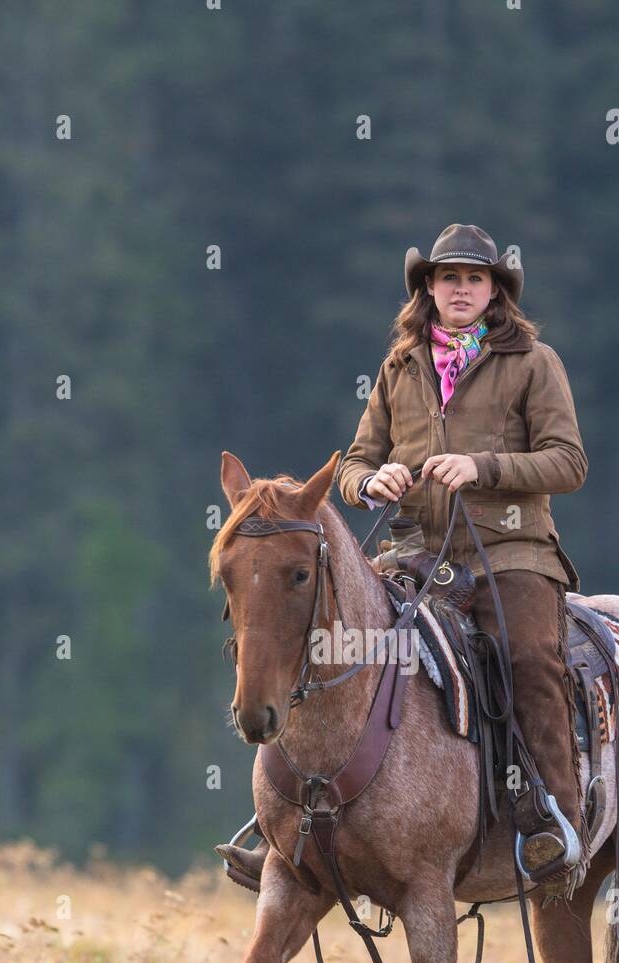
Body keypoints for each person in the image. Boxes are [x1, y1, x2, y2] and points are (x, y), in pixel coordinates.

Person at [220, 223, 590, 899]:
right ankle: (281, 819)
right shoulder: (399, 367)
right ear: (429, 288)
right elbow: (357, 460)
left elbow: (569, 462)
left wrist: (481, 466)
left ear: (495, 292)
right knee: (331, 641)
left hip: (511, 551)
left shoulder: (535, 363)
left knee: (527, 656)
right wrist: (372, 482)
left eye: (475, 279)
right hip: (415, 551)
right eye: (448, 278)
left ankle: (552, 820)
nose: (461, 289)